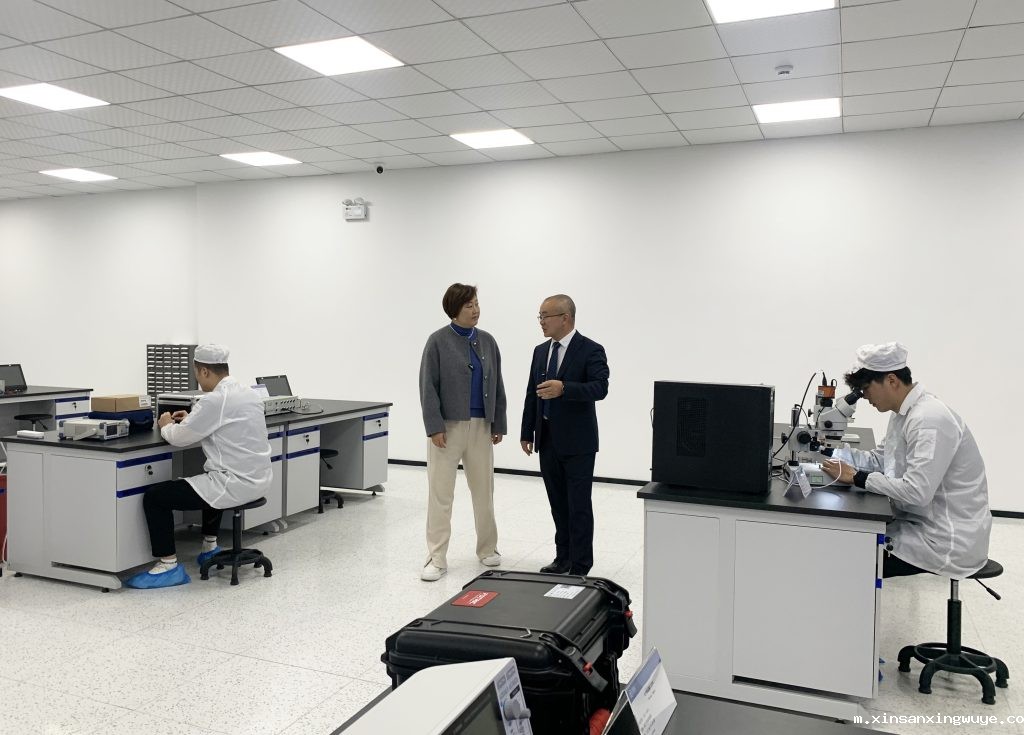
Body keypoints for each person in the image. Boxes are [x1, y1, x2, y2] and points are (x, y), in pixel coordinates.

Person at [821, 342, 991, 579]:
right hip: (917, 522)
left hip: (943, 540)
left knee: (846, 558)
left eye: (866, 388)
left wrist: (858, 478)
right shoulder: (903, 414)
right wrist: (828, 453)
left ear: (891, 380)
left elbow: (917, 491)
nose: (864, 396)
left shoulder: (929, 420)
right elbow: (880, 460)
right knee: (839, 537)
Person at [125, 344, 272, 589]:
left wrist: (165, 424)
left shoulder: (214, 400)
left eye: (196, 373)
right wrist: (193, 418)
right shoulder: (248, 393)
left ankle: (168, 566)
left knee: (155, 497)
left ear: (204, 371)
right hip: (258, 480)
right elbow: (222, 421)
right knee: (208, 476)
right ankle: (209, 547)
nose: (197, 378)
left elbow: (178, 438)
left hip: (233, 483)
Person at [419, 284, 507, 582]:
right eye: (469, 305)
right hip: (448, 428)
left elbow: (497, 384)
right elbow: (427, 387)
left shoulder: (488, 341)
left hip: (481, 427)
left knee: (484, 492)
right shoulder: (437, 341)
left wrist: (498, 423)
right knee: (441, 494)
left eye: (477, 303)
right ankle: (436, 557)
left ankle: (488, 548)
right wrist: (434, 426)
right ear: (454, 309)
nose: (475, 310)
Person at [521, 294, 609, 576]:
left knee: (578, 505)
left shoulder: (590, 349)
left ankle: (581, 564)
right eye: (540, 316)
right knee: (558, 504)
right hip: (547, 440)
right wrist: (527, 431)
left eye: (545, 316)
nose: (541, 321)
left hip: (578, 443)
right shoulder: (540, 351)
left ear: (565, 318)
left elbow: (600, 388)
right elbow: (532, 393)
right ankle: (563, 558)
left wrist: (565, 388)